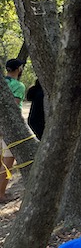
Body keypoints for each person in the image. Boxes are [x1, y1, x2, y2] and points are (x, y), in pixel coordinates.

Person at [1, 58, 26, 203]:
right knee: (7, 162)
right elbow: (13, 108)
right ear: (18, 69)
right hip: (9, 129)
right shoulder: (19, 86)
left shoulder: (2, 83)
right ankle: (1, 194)